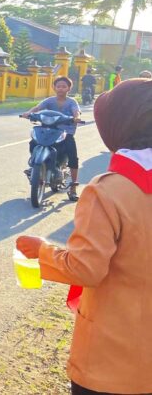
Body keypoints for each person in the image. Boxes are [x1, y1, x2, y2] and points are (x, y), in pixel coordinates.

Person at [16, 78, 151, 395]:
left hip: (113, 359)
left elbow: (85, 269)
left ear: (119, 126)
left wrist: (42, 251)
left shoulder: (108, 191)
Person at [21, 76, 82, 201]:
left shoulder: (72, 102)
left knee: (73, 156)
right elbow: (37, 108)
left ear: (69, 88)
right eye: (58, 86)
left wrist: (76, 118)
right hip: (48, 131)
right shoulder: (49, 100)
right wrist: (28, 113)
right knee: (33, 142)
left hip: (65, 133)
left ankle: (73, 188)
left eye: (64, 86)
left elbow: (76, 111)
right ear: (54, 88)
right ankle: (34, 166)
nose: (60, 88)